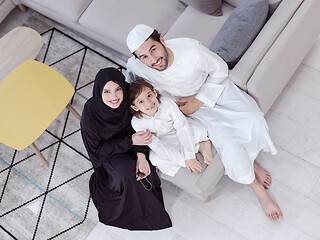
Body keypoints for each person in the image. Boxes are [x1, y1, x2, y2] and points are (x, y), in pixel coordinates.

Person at [125, 24, 283, 221]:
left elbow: (220, 70)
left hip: (215, 90)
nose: (153, 60)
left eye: (153, 49)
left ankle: (251, 161)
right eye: (144, 57)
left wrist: (198, 101)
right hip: (187, 108)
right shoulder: (136, 68)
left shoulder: (191, 49)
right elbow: (132, 91)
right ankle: (258, 189)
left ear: (162, 40)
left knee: (254, 119)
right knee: (227, 141)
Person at [80, 67, 172, 230]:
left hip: (135, 140)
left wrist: (141, 156)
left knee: (147, 162)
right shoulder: (91, 118)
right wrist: (129, 141)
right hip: (110, 151)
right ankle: (138, 212)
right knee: (127, 172)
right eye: (107, 91)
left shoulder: (130, 100)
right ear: (99, 92)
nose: (114, 97)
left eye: (118, 89)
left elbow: (141, 127)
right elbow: (97, 152)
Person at [128, 77, 213, 177]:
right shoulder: (137, 123)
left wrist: (189, 156)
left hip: (178, 130)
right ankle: (197, 147)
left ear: (154, 92)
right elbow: (157, 145)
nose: (149, 103)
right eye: (141, 102)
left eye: (149, 95)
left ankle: (202, 145)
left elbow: (182, 127)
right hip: (163, 140)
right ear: (134, 107)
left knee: (199, 130)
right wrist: (184, 160)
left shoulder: (167, 103)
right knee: (155, 158)